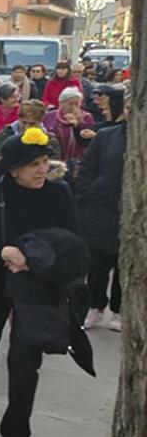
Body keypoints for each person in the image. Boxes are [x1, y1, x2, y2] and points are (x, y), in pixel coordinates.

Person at [0, 128, 79, 437]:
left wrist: (33, 261)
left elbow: (71, 245)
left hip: (37, 293)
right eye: (33, 165)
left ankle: (15, 430)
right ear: (13, 168)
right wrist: (3, 253)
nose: (42, 170)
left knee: (23, 364)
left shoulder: (58, 194)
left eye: (44, 162)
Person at [76, 97, 127, 333]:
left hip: (131, 213)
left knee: (125, 266)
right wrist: (87, 195)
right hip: (99, 209)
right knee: (95, 266)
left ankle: (120, 310)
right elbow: (87, 168)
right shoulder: (107, 136)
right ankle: (95, 306)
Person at [0, 100, 61, 170]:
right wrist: (8, 160)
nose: (26, 127)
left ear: (40, 122)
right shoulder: (4, 134)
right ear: (18, 119)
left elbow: (54, 167)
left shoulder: (50, 141)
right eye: (24, 122)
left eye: (32, 124)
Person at [43, 87, 97, 180]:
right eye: (70, 104)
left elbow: (87, 137)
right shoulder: (49, 116)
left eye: (77, 104)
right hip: (55, 161)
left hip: (77, 162)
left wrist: (78, 124)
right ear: (61, 103)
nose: (74, 107)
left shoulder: (86, 117)